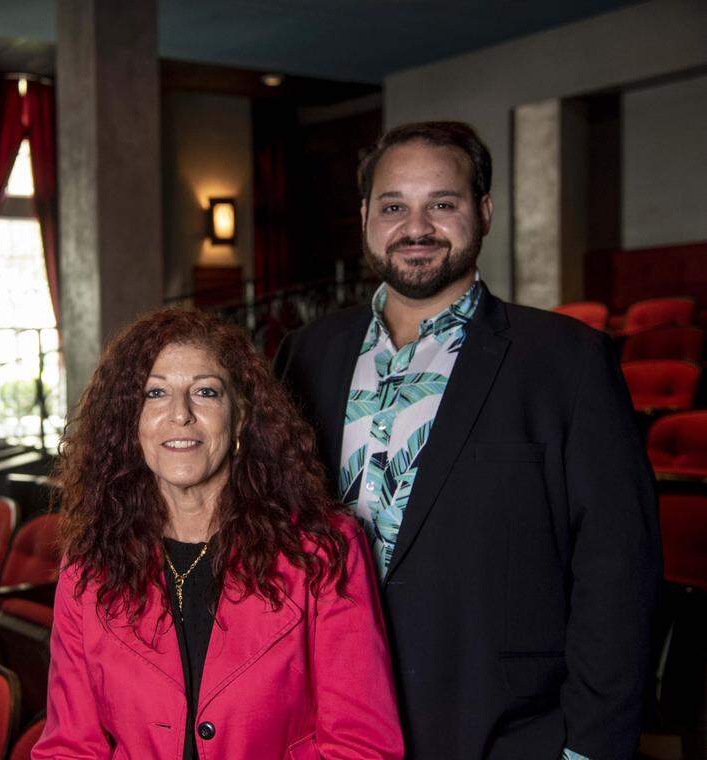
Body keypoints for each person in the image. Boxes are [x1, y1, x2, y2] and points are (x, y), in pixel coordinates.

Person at [276, 121, 661, 760]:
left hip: (502, 727)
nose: (416, 226)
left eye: (443, 204)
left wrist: (590, 747)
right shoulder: (307, 352)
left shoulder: (567, 361)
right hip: (327, 719)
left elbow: (619, 569)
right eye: (394, 206)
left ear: (482, 213)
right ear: (367, 217)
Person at [33, 307, 403, 759]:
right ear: (130, 423)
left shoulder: (326, 550)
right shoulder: (89, 564)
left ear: (241, 414)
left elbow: (362, 746)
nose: (181, 415)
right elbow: (69, 746)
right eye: (155, 393)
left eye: (205, 391)